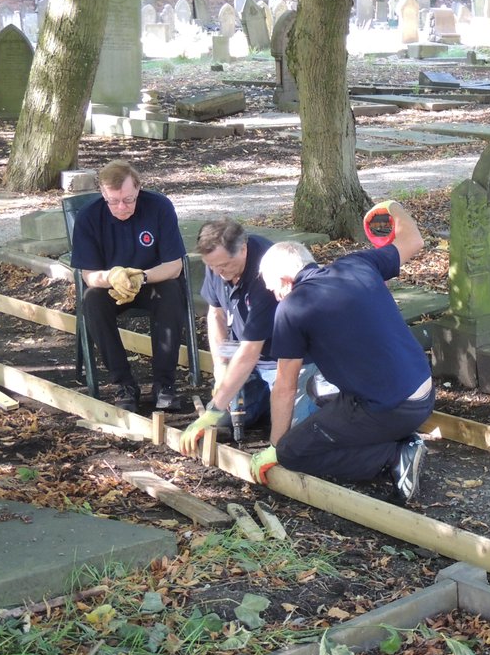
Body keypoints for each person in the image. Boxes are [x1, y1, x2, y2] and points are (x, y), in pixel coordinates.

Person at [248, 201, 433, 502]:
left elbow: (284, 385)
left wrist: (276, 447)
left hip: (391, 409)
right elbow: (414, 240)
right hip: (423, 394)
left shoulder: (293, 307)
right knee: (318, 389)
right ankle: (395, 435)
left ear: (284, 280)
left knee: (294, 454)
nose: (275, 297)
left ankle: (393, 455)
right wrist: (392, 207)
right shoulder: (357, 264)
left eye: (273, 290)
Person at [179, 219, 318, 451]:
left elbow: (250, 351)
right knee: (227, 418)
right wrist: (221, 365)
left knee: (294, 439)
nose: (217, 272)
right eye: (211, 266)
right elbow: (216, 315)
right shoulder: (216, 260)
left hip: (286, 362)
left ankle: (311, 401)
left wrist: (212, 412)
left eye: (223, 266)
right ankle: (263, 401)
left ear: (243, 248)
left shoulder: (266, 273)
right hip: (249, 361)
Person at [69, 159, 187, 412]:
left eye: (129, 199)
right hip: (111, 287)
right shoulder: (89, 217)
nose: (121, 207)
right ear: (103, 193)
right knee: (92, 301)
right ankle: (123, 384)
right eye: (113, 201)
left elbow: (174, 266)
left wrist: (140, 277)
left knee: (172, 293)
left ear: (139, 189)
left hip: (153, 281)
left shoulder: (159, 207)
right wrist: (112, 278)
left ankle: (164, 384)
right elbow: (89, 275)